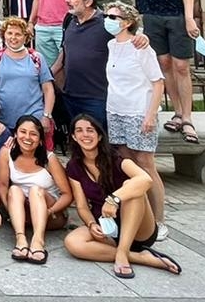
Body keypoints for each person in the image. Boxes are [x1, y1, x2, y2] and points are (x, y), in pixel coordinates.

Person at [63, 114, 181, 278]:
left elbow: (145, 180)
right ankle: (140, 257)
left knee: (132, 188)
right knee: (72, 243)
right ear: (74, 137)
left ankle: (123, 254)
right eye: (79, 131)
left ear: (99, 135)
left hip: (139, 228)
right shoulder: (74, 166)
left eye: (90, 130)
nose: (85, 135)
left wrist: (114, 199)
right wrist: (91, 224)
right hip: (108, 228)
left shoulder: (117, 159)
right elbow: (82, 206)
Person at [124, 0, 201, 143]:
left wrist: (189, 17)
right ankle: (177, 112)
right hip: (151, 16)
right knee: (164, 64)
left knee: (181, 66)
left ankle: (187, 117)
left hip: (175, 15)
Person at [105, 1, 168, 224]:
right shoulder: (112, 45)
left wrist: (150, 115)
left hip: (138, 111)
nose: (108, 20)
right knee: (126, 161)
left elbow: (158, 82)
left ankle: (158, 219)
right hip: (116, 110)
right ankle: (138, 215)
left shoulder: (141, 47)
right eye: (108, 16)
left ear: (128, 22)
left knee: (145, 163)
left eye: (113, 17)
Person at [0, 115, 73, 264]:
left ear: (40, 139)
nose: (27, 137)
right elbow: (2, 186)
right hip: (22, 213)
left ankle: (38, 241)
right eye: (23, 132)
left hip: (52, 213)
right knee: (14, 190)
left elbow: (67, 195)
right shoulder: (6, 152)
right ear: (15, 134)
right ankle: (21, 239)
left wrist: (49, 212)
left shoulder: (48, 158)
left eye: (33, 134)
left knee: (35, 190)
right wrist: (10, 212)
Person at [51, 0, 112, 139]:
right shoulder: (69, 20)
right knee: (77, 142)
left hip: (97, 97)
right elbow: (64, 52)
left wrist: (141, 38)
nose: (66, 0)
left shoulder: (107, 23)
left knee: (98, 141)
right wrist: (49, 74)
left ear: (88, 2)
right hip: (71, 95)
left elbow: (129, 38)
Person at [0, 17, 53, 137]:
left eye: (18, 34)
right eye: (9, 33)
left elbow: (48, 89)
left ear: (25, 37)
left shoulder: (36, 58)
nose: (13, 37)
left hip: (32, 119)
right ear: (4, 35)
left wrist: (47, 116)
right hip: (3, 119)